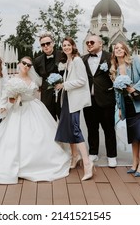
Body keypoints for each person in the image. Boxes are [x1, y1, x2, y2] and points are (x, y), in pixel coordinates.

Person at [0, 57, 70, 184]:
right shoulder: (12, 80)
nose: (26, 66)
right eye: (24, 63)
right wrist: (6, 105)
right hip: (18, 110)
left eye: (29, 65)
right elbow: (5, 96)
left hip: (34, 108)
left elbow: (35, 93)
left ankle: (38, 162)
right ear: (19, 64)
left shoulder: (33, 79)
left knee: (39, 136)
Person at [110, 41, 140, 177]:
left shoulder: (134, 61)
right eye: (116, 48)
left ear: (125, 50)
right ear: (114, 52)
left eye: (121, 48)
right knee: (134, 136)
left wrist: (134, 88)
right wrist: (120, 108)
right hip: (128, 105)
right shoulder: (114, 69)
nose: (119, 50)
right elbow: (117, 92)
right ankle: (134, 162)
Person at [54, 37, 93, 181]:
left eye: (68, 45)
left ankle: (87, 164)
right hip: (67, 100)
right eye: (64, 45)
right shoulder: (68, 61)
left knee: (75, 129)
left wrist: (64, 85)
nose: (66, 47)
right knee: (68, 128)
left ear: (73, 46)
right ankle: (74, 156)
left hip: (74, 100)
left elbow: (82, 81)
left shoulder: (77, 60)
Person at [82, 34, 118, 167]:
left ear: (100, 44)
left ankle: (112, 155)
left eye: (92, 42)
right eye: (87, 43)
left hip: (106, 100)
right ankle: (93, 153)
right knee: (92, 128)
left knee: (109, 129)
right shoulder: (83, 59)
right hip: (88, 100)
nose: (89, 44)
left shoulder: (110, 58)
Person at [33, 32, 62, 120]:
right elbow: (37, 76)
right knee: (49, 122)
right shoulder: (37, 61)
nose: (45, 46)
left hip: (62, 94)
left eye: (48, 43)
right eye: (43, 44)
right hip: (46, 96)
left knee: (65, 123)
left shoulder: (62, 55)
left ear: (53, 43)